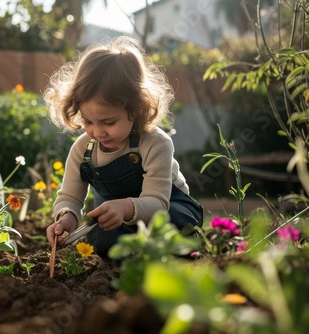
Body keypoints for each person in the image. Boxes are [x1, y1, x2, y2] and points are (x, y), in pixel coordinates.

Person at [44, 36, 203, 258]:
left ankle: (164, 256)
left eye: (109, 122)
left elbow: (157, 204)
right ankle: (133, 259)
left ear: (136, 109)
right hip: (119, 223)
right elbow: (69, 196)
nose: (98, 132)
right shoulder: (83, 150)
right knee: (100, 236)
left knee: (179, 223)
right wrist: (67, 217)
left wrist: (125, 208)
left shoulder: (155, 144)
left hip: (166, 211)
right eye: (88, 122)